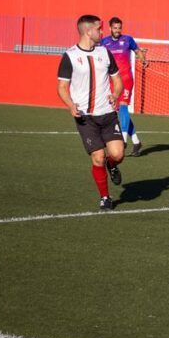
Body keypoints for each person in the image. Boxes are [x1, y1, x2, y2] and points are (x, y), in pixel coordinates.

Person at [56, 14, 126, 211]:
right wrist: (70, 104)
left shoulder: (105, 53)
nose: (102, 32)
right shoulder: (69, 56)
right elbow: (62, 87)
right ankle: (105, 197)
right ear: (88, 31)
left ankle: (112, 165)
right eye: (99, 29)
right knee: (97, 157)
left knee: (118, 154)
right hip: (85, 117)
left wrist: (116, 93)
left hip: (107, 114)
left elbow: (118, 80)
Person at [100, 16, 148, 156]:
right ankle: (137, 142)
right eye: (115, 28)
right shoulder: (104, 42)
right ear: (110, 28)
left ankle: (123, 139)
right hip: (113, 81)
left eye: (119, 28)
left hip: (126, 78)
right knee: (120, 111)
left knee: (123, 106)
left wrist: (143, 59)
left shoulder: (128, 40)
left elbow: (138, 51)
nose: (117, 30)